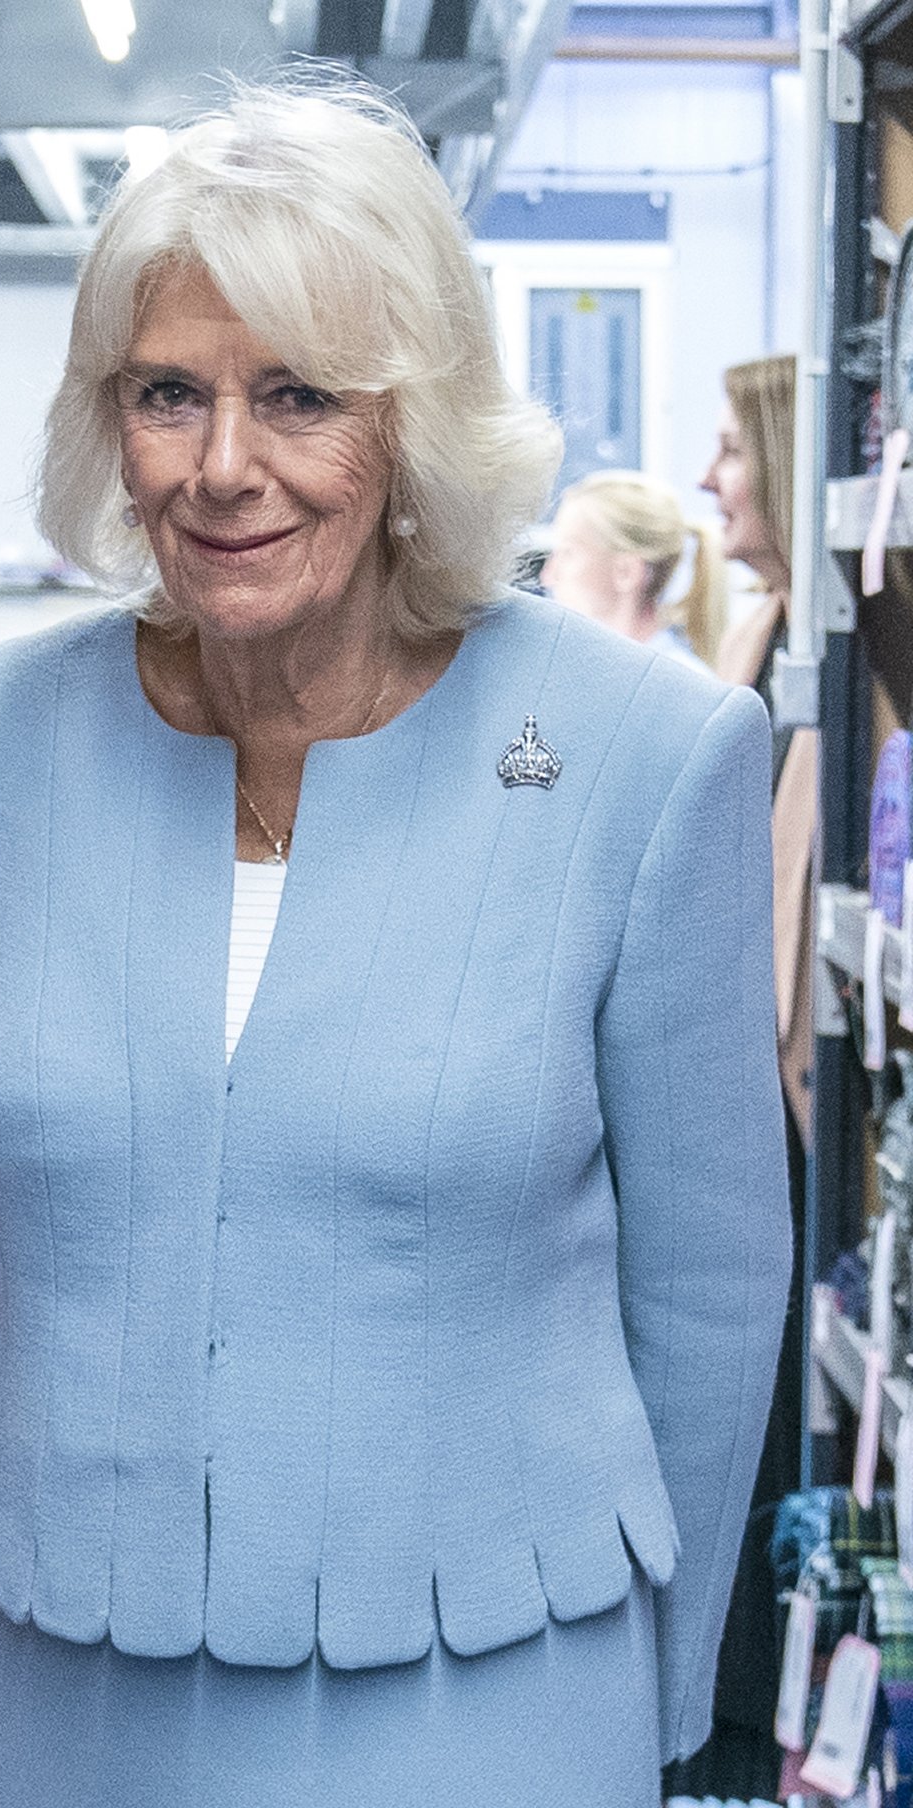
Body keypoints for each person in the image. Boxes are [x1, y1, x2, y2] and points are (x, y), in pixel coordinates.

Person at [0, 79, 791, 1808]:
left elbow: (705, 1285)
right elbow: (8, 1227)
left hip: (495, 1679)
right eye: (170, 393)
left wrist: (663, 1702)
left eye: (300, 394)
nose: (225, 463)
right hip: (62, 1668)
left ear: (416, 424)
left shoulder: (643, 755)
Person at [667, 352, 811, 1802]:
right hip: (746, 1089)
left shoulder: (813, 649)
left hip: (781, 1102)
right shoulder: (768, 632)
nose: (715, 478)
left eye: (731, 450)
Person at [541, 468, 726, 670]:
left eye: (567, 553)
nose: (547, 577)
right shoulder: (589, 673)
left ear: (626, 572)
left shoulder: (681, 687)